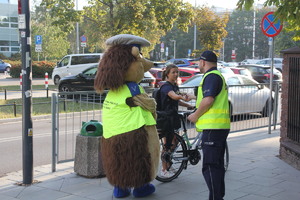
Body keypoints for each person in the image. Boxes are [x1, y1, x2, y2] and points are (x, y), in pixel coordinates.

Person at [188, 51, 230, 200]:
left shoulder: (211, 76)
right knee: (217, 166)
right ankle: (218, 196)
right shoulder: (216, 76)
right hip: (218, 128)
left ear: (203, 62)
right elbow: (207, 97)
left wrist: (195, 115)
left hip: (213, 128)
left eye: (198, 62)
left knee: (210, 167)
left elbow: (208, 100)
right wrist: (193, 97)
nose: (198, 64)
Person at [156, 64, 194, 178]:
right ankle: (163, 169)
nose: (176, 74)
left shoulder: (174, 86)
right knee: (167, 144)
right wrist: (185, 97)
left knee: (175, 141)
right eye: (173, 72)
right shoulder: (166, 87)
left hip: (173, 117)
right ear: (167, 74)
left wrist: (188, 105)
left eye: (177, 72)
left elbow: (177, 100)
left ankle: (168, 164)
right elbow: (173, 97)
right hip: (166, 118)